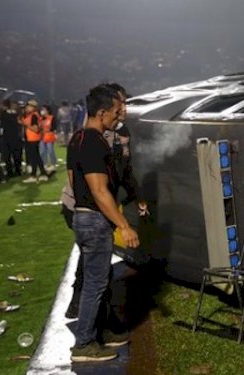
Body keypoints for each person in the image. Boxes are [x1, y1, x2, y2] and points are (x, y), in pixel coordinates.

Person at [66, 84, 139, 362]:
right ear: (101, 112)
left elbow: (75, 182)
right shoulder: (95, 141)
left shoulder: (76, 139)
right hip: (95, 220)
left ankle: (99, 333)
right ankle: (84, 344)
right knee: (96, 285)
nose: (116, 118)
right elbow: (99, 189)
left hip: (82, 216)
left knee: (98, 281)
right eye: (113, 113)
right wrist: (123, 224)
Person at [20, 99, 49, 183]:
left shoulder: (33, 116)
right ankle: (42, 173)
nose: (27, 108)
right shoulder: (32, 115)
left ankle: (34, 175)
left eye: (29, 106)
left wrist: (25, 124)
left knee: (34, 157)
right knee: (36, 156)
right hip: (31, 138)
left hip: (33, 138)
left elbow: (36, 129)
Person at [0, 100, 24, 177]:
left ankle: (11, 171)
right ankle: (17, 170)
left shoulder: (3, 113)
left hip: (8, 136)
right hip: (14, 136)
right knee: (15, 155)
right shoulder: (16, 113)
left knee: (9, 156)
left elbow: (2, 125)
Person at [39, 105, 58, 171]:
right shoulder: (40, 118)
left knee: (50, 150)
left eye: (44, 110)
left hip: (49, 136)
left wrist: (55, 133)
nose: (42, 111)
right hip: (42, 136)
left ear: (48, 110)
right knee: (42, 151)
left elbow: (54, 127)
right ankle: (45, 163)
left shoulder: (51, 118)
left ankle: (54, 163)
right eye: (42, 110)